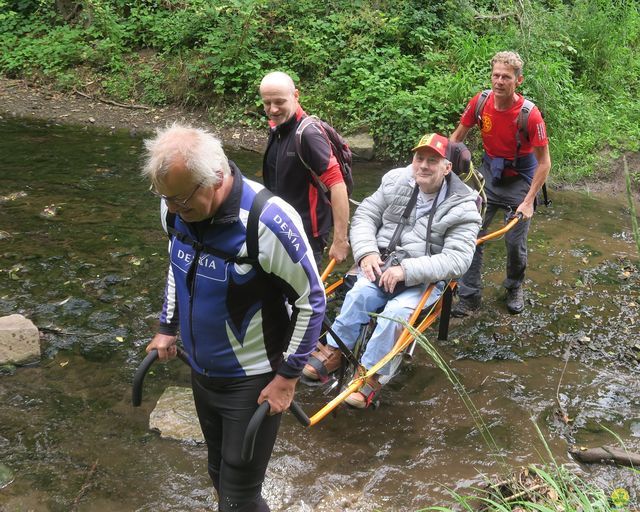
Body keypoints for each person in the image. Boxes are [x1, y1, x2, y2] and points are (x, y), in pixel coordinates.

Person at [141, 124, 326, 512]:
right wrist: (167, 327)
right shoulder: (175, 204)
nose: (174, 210)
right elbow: (178, 264)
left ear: (216, 178)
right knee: (218, 474)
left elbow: (312, 302)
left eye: (182, 202)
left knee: (238, 495)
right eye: (167, 200)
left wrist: (287, 379)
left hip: (253, 381)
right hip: (203, 373)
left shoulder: (267, 220)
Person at [302, 133, 482, 408]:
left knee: (395, 315)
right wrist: (367, 252)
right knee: (360, 294)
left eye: (432, 161)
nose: (422, 165)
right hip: (382, 262)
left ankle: (371, 374)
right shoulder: (396, 180)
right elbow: (366, 215)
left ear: (447, 168)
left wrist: (406, 270)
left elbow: (458, 259)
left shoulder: (463, 205)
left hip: (425, 278)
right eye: (419, 158)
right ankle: (337, 350)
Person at [450, 50, 551, 316]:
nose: (499, 81)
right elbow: (456, 139)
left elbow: (545, 164)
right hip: (488, 176)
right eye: (496, 75)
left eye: (506, 77)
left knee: (514, 242)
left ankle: (514, 286)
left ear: (518, 80)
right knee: (472, 233)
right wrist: (443, 168)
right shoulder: (480, 102)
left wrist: (528, 202)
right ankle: (469, 296)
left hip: (521, 180)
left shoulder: (530, 114)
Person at [259, 71, 350, 267]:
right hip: (279, 227)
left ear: (296, 96)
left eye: (279, 102)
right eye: (267, 103)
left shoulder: (308, 135)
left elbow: (338, 185)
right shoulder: (278, 127)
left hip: (305, 236)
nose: (273, 110)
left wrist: (340, 240)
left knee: (304, 297)